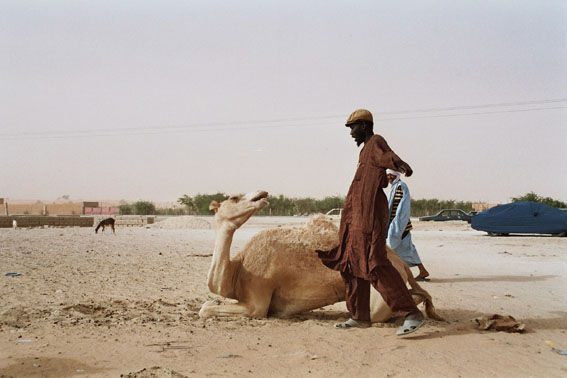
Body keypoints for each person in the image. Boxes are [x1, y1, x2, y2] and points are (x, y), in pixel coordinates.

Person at [317, 109, 424, 335]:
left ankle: (410, 313)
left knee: (375, 265)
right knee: (352, 266)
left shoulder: (375, 141)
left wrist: (401, 164)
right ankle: (359, 316)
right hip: (354, 221)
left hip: (368, 221)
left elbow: (388, 155)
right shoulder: (363, 151)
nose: (351, 133)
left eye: (353, 127)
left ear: (364, 126)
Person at [386, 169, 430, 281]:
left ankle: (394, 274)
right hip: (397, 225)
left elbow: (401, 208)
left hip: (400, 225)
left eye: (391, 175)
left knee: (390, 247)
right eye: (388, 175)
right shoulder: (394, 187)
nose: (389, 177)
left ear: (396, 175)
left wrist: (396, 225)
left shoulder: (401, 186)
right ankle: (422, 271)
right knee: (408, 249)